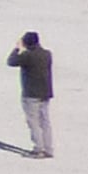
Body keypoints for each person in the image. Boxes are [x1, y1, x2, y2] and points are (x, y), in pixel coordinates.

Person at [8, 31, 55, 160]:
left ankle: (38, 149)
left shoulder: (27, 56)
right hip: (45, 92)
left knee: (33, 122)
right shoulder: (47, 54)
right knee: (45, 122)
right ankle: (48, 148)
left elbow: (11, 62)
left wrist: (17, 49)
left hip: (31, 93)